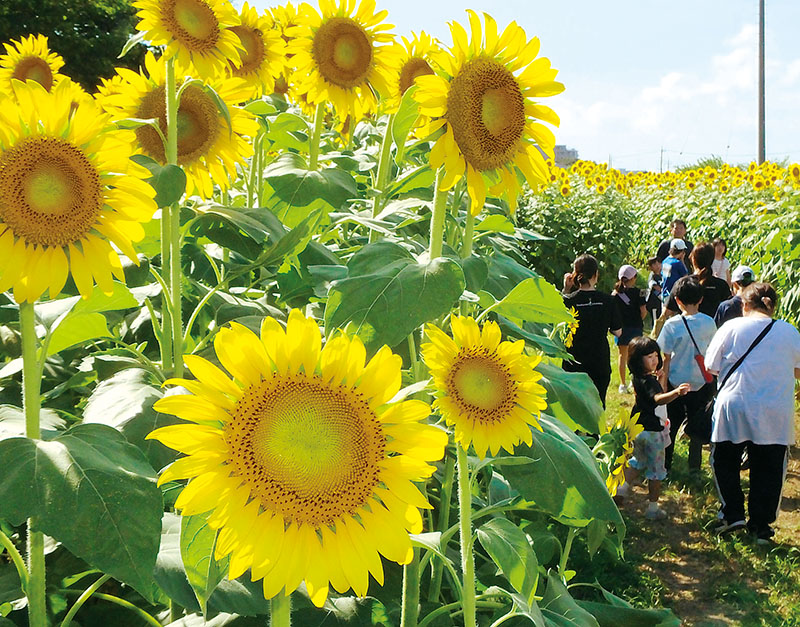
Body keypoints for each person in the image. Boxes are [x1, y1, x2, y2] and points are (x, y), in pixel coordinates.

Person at [705, 282, 800, 543]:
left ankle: (732, 513)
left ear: (744, 305)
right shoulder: (790, 332)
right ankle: (760, 526)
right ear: (773, 306)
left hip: (734, 405)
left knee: (725, 459)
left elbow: (711, 365)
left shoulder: (731, 327)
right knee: (769, 467)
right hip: (774, 409)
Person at [615, 336, 690, 520]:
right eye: (649, 357)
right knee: (656, 471)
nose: (655, 360)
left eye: (656, 355)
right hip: (652, 432)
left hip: (639, 428)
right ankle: (653, 508)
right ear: (637, 360)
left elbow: (656, 394)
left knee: (637, 461)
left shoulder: (641, 378)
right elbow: (658, 399)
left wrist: (661, 380)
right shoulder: (648, 382)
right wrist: (677, 393)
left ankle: (620, 490)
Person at [657, 276, 717, 473]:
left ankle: (665, 465)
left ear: (677, 300)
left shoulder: (672, 325)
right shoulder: (709, 323)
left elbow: (665, 358)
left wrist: (663, 384)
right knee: (697, 425)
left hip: (676, 382)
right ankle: (695, 468)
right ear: (700, 299)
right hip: (701, 382)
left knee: (671, 425)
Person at [562, 254, 622, 406]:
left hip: (574, 360)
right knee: (597, 406)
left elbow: (558, 323)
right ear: (596, 274)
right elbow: (618, 331)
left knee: (574, 406)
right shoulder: (607, 300)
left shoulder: (569, 301)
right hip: (598, 360)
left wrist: (566, 289)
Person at [664, 242, 732, 319]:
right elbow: (729, 311)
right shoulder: (721, 285)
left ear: (693, 259)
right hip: (714, 329)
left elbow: (666, 313)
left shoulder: (683, 284)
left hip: (687, 328)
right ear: (712, 260)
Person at [613, 264, 646, 393]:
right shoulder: (639, 293)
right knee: (636, 355)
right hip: (636, 327)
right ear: (633, 278)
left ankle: (622, 384)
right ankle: (635, 380)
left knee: (622, 355)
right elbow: (643, 311)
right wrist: (638, 320)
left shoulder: (615, 294)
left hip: (621, 328)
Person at [646, 257, 663, 326]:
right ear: (650, 267)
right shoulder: (652, 277)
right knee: (656, 321)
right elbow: (656, 288)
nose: (658, 265)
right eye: (655, 264)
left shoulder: (663, 274)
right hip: (654, 303)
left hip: (661, 302)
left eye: (658, 263)